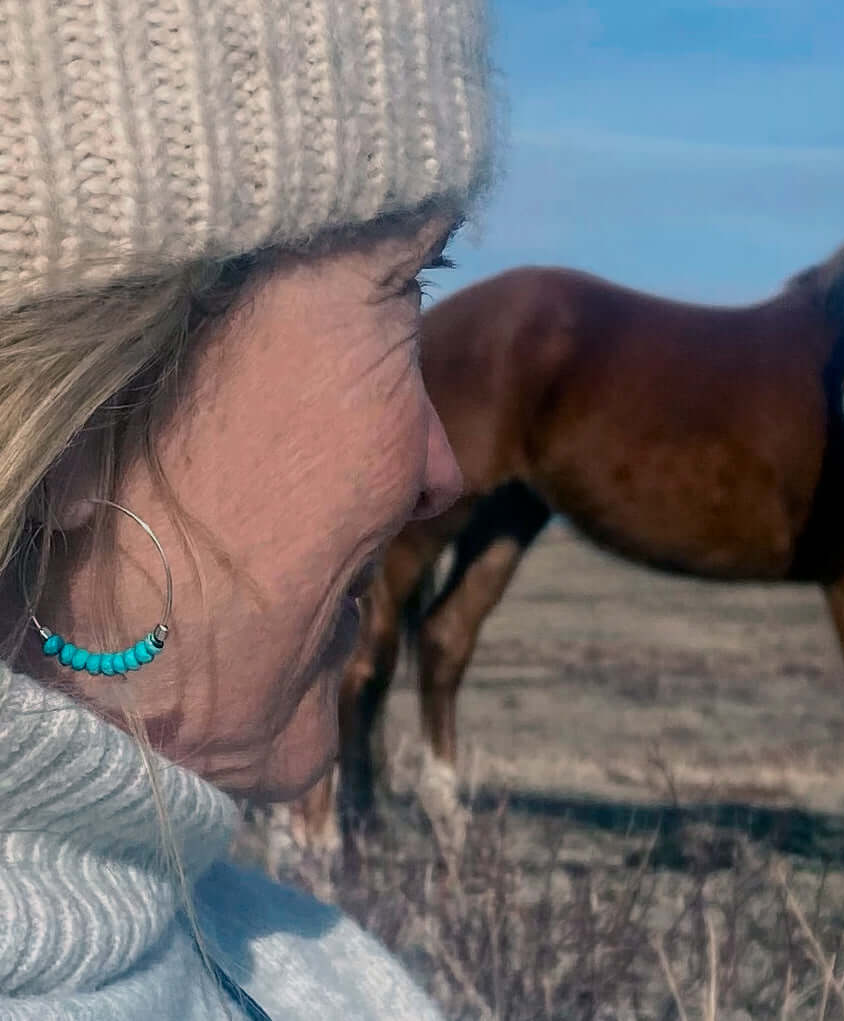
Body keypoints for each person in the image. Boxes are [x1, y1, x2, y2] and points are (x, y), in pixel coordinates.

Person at [0, 1, 492, 1017]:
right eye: (407, 281)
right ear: (96, 415)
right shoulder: (320, 978)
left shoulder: (314, 966)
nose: (442, 471)